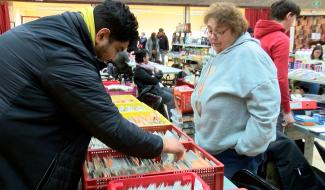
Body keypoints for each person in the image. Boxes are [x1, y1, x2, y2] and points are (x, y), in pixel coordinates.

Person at [0, 1, 185, 189]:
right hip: (20, 157)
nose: (114, 58)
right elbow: (111, 127)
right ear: (102, 35)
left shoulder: (65, 31)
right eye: (119, 49)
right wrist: (161, 143)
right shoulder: (66, 53)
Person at [191, 2, 280, 178]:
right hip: (213, 151)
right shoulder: (222, 52)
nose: (213, 37)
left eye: (220, 32)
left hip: (234, 157)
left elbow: (267, 110)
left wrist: (244, 147)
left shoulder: (249, 55)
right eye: (209, 30)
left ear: (235, 30)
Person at [254, 0, 300, 129]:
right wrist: (286, 109)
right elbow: (280, 77)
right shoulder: (281, 39)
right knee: (275, 142)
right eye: (295, 18)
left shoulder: (258, 36)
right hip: (270, 100)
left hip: (255, 98)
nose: (294, 23)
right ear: (289, 15)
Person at [133, 49, 175, 118]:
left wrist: (156, 73)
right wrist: (159, 73)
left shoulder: (146, 67)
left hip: (156, 88)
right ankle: (171, 119)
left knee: (174, 92)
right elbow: (154, 80)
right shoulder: (139, 71)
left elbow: (155, 78)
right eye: (147, 56)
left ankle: (174, 117)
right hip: (150, 91)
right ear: (144, 58)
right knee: (171, 98)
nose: (148, 57)